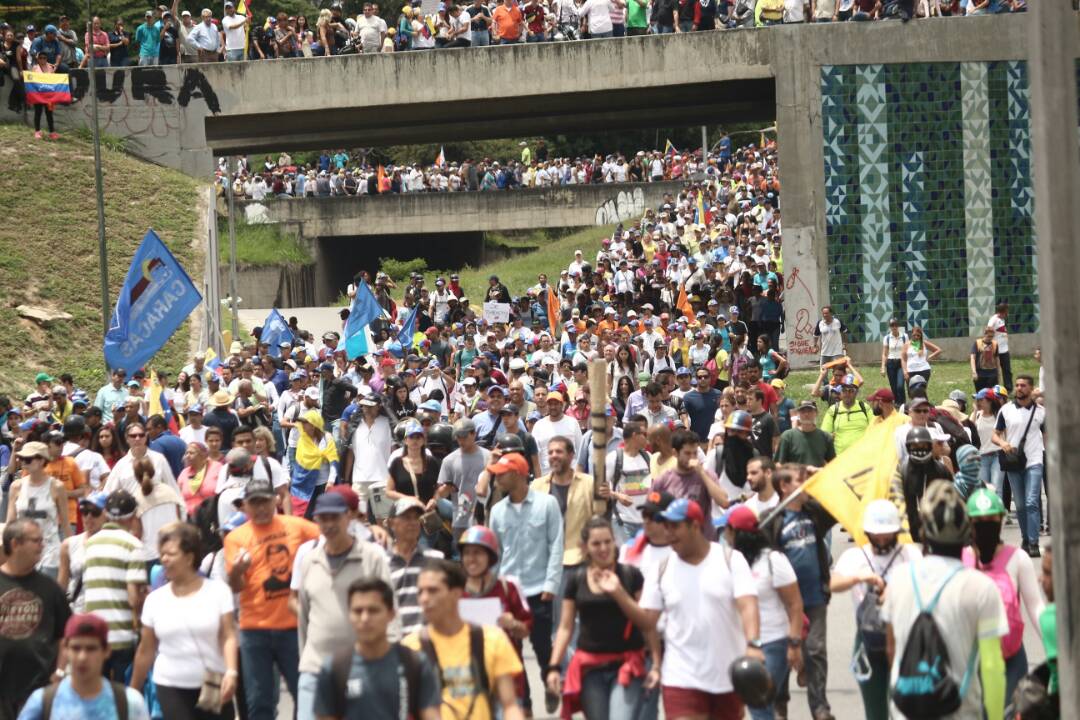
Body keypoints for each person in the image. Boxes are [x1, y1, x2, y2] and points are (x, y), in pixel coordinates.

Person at [625, 498, 763, 720]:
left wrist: (754, 645)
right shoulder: (660, 570)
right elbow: (648, 621)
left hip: (727, 677)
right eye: (666, 526)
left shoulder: (730, 560)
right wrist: (618, 594)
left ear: (695, 525)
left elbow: (748, 605)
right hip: (681, 677)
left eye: (675, 526)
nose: (668, 533)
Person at [881, 483, 1007, 720]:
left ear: (925, 533)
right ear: (968, 533)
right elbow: (992, 665)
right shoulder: (981, 588)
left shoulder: (899, 579)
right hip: (960, 711)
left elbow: (891, 648)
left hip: (906, 710)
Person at [224, 475, 320, 720]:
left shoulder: (296, 526)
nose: (261, 508)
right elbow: (235, 587)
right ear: (245, 505)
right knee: (259, 703)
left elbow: (331, 537)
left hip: (293, 628)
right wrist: (236, 571)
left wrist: (366, 528)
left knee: (306, 697)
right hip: (254, 630)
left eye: (265, 502)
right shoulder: (235, 537)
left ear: (276, 500)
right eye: (254, 503)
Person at [546, 516, 659, 720]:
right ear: (585, 547)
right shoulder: (576, 579)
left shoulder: (631, 575)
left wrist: (618, 593)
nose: (603, 548)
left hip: (626, 666)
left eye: (607, 541)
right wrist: (554, 667)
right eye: (596, 543)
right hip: (590, 669)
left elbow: (647, 623)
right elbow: (564, 628)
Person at [296, 491, 395, 720]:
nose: (329, 524)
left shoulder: (373, 556)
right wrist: (306, 660)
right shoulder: (309, 560)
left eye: (335, 517)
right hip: (315, 670)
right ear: (316, 521)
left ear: (348, 517)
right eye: (323, 518)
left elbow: (391, 612)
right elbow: (304, 616)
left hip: (364, 668)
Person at [130, 522, 239, 719]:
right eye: (162, 554)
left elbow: (228, 636)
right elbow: (146, 650)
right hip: (170, 685)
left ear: (189, 557)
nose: (164, 559)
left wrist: (231, 671)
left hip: (212, 682)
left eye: (171, 554)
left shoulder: (218, 592)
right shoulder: (155, 600)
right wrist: (133, 692)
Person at [487, 451, 564, 714]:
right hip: (508, 593)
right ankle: (525, 704)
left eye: (501, 473)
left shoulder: (547, 504)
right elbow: (495, 555)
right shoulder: (497, 511)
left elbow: (556, 545)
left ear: (518, 475)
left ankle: (549, 684)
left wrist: (551, 584)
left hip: (538, 589)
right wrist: (492, 591)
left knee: (543, 647)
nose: (496, 477)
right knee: (513, 655)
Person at [402, 559, 526, 720]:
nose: (424, 599)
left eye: (433, 591)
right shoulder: (409, 648)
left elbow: (509, 705)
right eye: (420, 592)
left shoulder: (492, 639)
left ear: (456, 593)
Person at [829, 500, 920, 720]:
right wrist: (860, 577)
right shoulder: (856, 556)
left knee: (906, 709)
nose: (881, 539)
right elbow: (831, 584)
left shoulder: (911, 554)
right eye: (876, 534)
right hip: (868, 643)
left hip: (906, 641)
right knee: (875, 711)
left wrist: (898, 589)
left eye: (887, 534)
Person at [759, 464, 836, 720]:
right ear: (784, 486)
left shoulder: (812, 513)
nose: (805, 485)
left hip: (814, 598)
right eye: (800, 481)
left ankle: (819, 706)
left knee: (815, 651)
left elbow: (836, 510)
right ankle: (780, 704)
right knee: (781, 655)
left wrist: (820, 481)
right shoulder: (773, 519)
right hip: (784, 602)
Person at [313, 577, 442, 720]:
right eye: (358, 611)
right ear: (349, 615)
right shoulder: (334, 668)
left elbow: (431, 713)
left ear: (391, 614)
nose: (365, 618)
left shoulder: (415, 663)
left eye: (373, 610)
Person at [961, 488, 1044, 708]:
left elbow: (1036, 608)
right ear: (969, 523)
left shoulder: (1018, 559)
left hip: (1011, 661)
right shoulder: (960, 560)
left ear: (1000, 520)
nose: (984, 525)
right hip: (968, 664)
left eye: (990, 520)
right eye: (978, 521)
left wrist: (1055, 647)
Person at [721, 505, 804, 720]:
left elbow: (795, 605)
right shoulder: (729, 562)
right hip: (740, 644)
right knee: (750, 704)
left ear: (736, 532)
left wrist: (794, 644)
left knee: (758, 702)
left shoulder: (773, 560)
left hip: (773, 643)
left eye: (726, 530)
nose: (724, 536)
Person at [0, 519, 72, 719]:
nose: (43, 545)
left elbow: (66, 635)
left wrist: (59, 673)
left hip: (38, 689)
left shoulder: (51, 589)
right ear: (15, 544)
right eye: (36, 541)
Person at [17, 613, 148, 720]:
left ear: (106, 651)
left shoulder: (130, 703)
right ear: (65, 650)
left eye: (91, 649)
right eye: (76, 648)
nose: (82, 657)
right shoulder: (42, 702)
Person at [459, 526, 533, 705]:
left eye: (477, 553)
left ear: (490, 556)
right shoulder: (454, 591)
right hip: (467, 679)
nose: (471, 559)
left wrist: (513, 624)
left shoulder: (508, 587)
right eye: (467, 553)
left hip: (505, 676)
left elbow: (525, 630)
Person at [83, 490, 147, 682]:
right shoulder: (133, 545)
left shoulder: (91, 543)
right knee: (120, 699)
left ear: (107, 513)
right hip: (121, 636)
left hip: (94, 634)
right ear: (133, 516)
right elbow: (133, 598)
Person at [991, 375, 1045, 556]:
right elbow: (995, 435)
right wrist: (1003, 444)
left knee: (1031, 502)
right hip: (1013, 461)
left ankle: (1034, 542)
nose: (1019, 388)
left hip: (1035, 461)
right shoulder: (1005, 410)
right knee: (1020, 505)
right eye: (1017, 385)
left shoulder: (1040, 411)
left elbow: (1047, 436)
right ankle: (1025, 537)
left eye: (1023, 385)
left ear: (1031, 389)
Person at [6, 440, 69, 577]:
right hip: (22, 551)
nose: (23, 462)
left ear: (42, 460)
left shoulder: (57, 487)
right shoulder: (16, 486)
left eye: (28, 459)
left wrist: (72, 552)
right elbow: (11, 522)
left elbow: (65, 524)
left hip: (50, 551)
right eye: (21, 458)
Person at [58, 491, 108, 613]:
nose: (89, 517)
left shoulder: (117, 542)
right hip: (78, 611)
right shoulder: (69, 544)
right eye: (84, 511)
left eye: (95, 512)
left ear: (107, 514)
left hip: (106, 612)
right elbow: (61, 587)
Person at [818, 376, 871, 455]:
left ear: (856, 392)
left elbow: (877, 427)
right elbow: (824, 435)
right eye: (844, 390)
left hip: (863, 457)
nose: (847, 393)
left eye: (851, 391)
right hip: (840, 459)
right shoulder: (833, 410)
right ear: (840, 392)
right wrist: (829, 437)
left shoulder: (864, 408)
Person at [775, 401, 836, 469]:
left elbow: (833, 464)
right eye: (803, 411)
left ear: (816, 413)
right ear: (798, 414)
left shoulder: (826, 437)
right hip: (796, 478)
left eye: (809, 411)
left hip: (817, 478)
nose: (806, 414)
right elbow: (779, 464)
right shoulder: (787, 436)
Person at [879, 318, 908, 405]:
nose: (894, 327)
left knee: (900, 386)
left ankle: (902, 403)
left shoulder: (904, 336)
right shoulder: (887, 338)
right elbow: (884, 354)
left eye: (895, 325)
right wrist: (883, 367)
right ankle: (896, 402)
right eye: (892, 325)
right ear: (890, 327)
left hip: (901, 362)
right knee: (893, 386)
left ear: (898, 326)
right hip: (891, 363)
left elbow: (907, 351)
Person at [970, 327, 1000, 392]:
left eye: (992, 336)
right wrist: (974, 372)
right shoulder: (977, 343)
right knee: (980, 394)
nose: (990, 338)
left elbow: (997, 359)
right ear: (984, 334)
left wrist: (998, 373)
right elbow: (972, 358)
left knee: (992, 394)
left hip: (992, 374)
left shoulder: (995, 344)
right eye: (989, 336)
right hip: (980, 374)